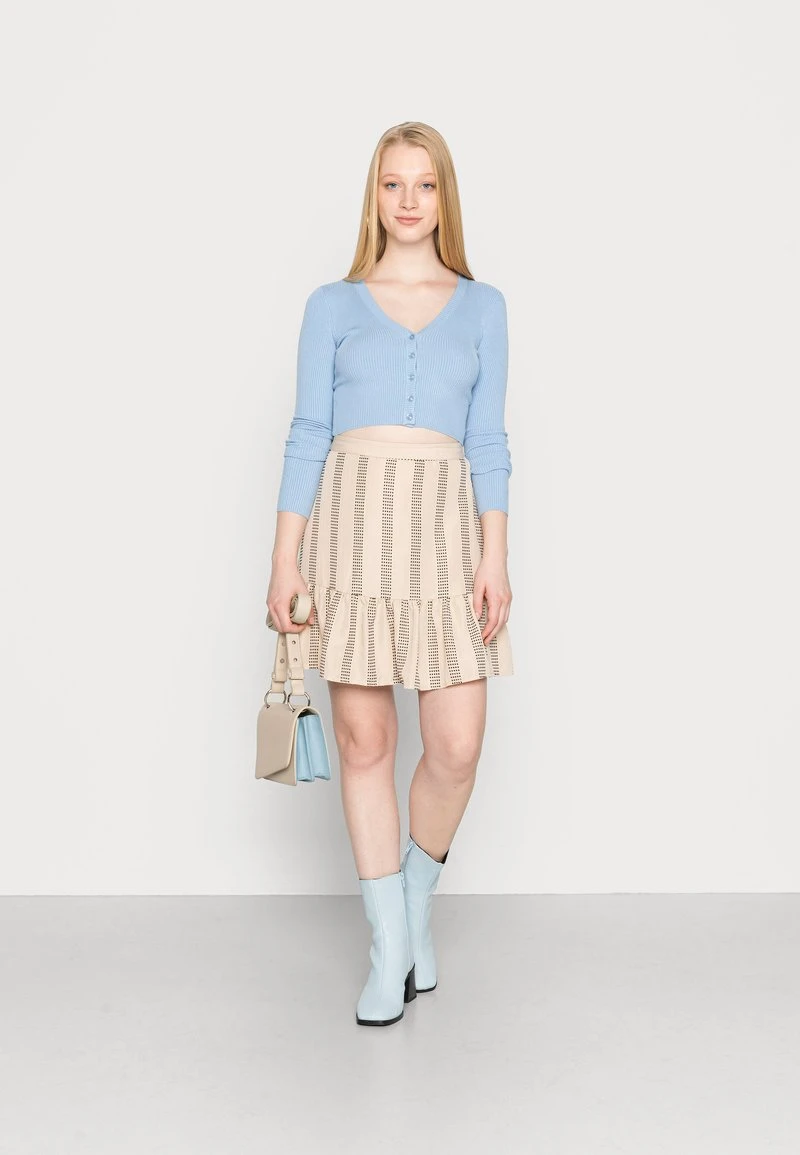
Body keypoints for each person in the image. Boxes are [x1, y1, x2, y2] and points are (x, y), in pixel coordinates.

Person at [266, 121, 514, 1027]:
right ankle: (388, 947)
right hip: (352, 532)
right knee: (365, 741)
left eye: (425, 184)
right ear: (374, 197)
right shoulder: (331, 305)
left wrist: (495, 552)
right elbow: (307, 432)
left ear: (445, 198)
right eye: (392, 184)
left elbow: (488, 439)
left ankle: (412, 907)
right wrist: (285, 556)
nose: (409, 201)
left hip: (447, 535)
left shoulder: (483, 306)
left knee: (456, 745)